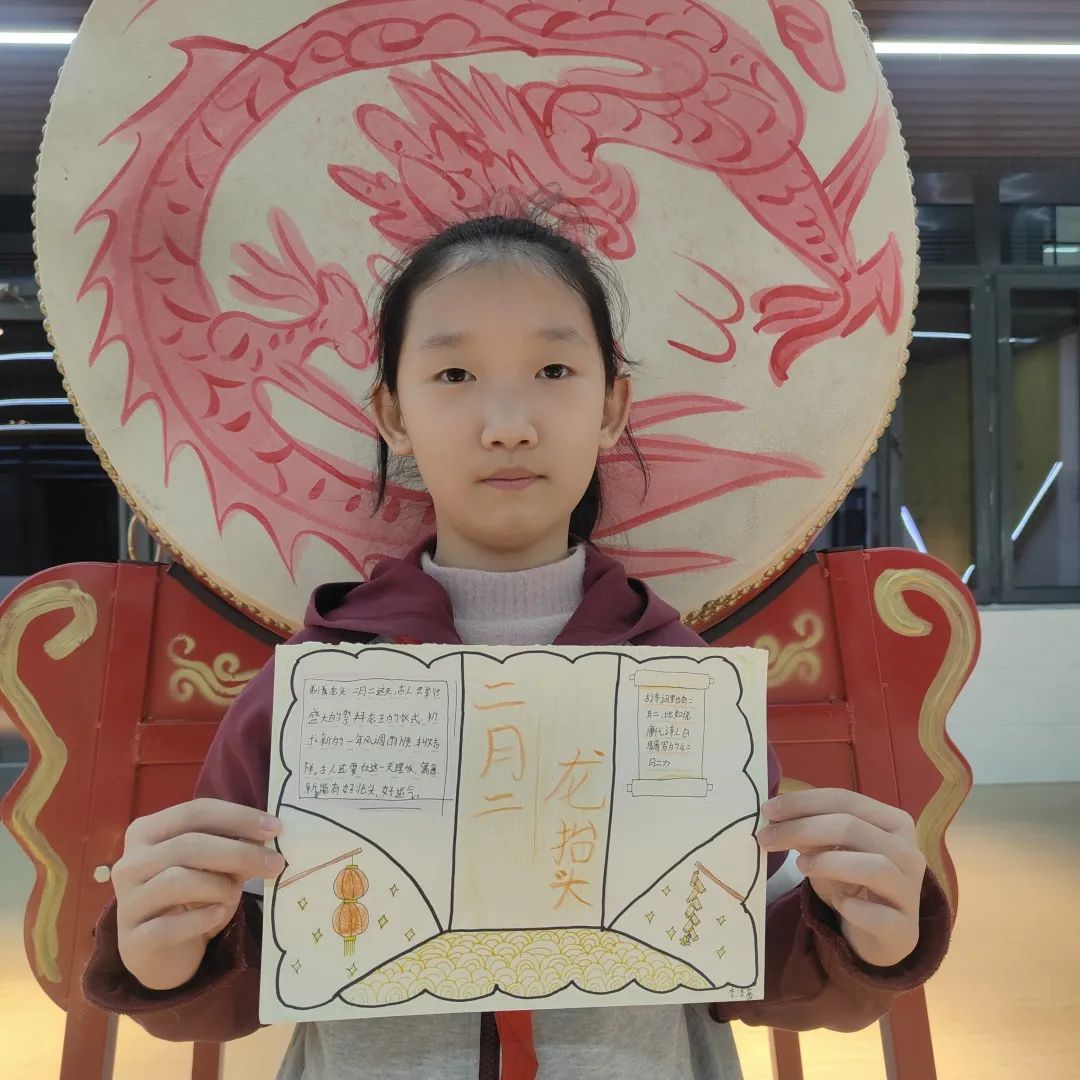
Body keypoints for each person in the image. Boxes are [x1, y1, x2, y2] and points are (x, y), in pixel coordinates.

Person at [82, 209, 951, 1080]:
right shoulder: (314, 689)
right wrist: (167, 954)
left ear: (612, 407)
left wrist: (865, 935)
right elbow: (247, 970)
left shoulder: (684, 682)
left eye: (553, 370)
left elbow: (748, 956)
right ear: (393, 414)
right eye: (454, 373)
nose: (507, 424)